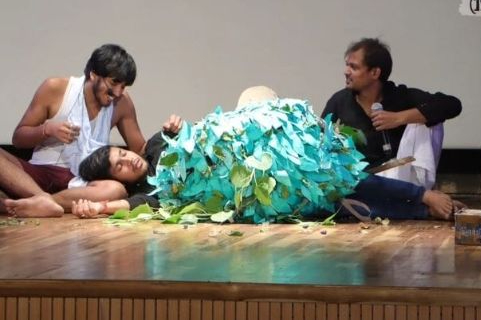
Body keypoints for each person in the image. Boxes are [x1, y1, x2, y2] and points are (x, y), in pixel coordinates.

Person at [71, 88, 460, 221]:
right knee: (338, 206)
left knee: (342, 180)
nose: (128, 160)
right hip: (259, 192)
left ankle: (423, 197)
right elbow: (128, 206)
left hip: (265, 157)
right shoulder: (153, 194)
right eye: (120, 167)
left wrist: (180, 128)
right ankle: (423, 208)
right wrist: (97, 208)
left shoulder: (157, 143)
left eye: (120, 153)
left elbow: (202, 134)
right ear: (119, 180)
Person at [1, 44, 145, 217]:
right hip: (36, 175)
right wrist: (48, 129)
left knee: (116, 190)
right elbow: (18, 138)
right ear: (93, 74)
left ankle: (43, 203)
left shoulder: (121, 103)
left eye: (124, 86)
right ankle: (40, 199)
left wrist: (170, 138)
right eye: (114, 82)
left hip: (81, 185)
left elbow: (139, 149)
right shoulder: (55, 88)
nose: (118, 92)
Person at [322, 38, 462, 168]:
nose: (346, 72)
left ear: (375, 73)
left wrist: (399, 118)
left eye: (354, 67)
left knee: (430, 118)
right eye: (347, 65)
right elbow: (319, 139)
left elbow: (452, 105)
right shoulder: (339, 101)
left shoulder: (399, 96)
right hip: (356, 180)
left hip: (398, 178)